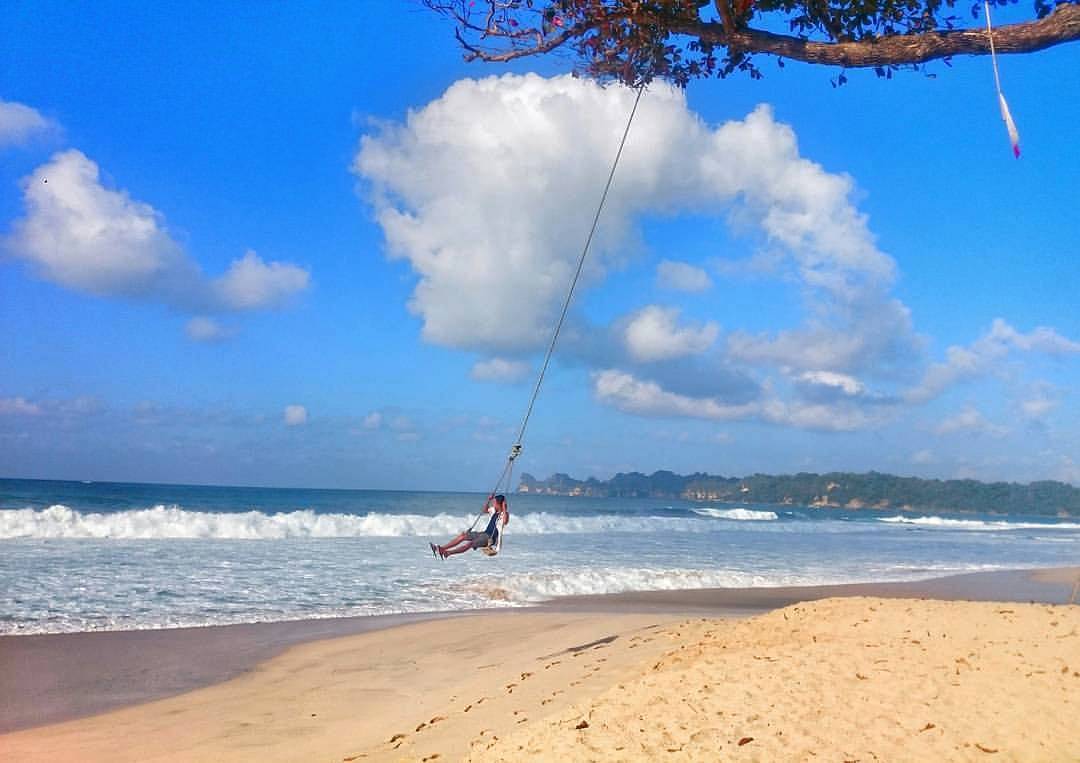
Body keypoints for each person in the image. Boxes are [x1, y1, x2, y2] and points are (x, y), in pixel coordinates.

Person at [432, 494, 510, 559]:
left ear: (499, 504)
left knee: (470, 544)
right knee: (463, 535)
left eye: (494, 503)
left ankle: (448, 553)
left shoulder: (504, 514)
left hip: (490, 538)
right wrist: (489, 500)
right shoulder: (494, 511)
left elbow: (505, 521)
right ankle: (442, 548)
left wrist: (504, 507)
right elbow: (484, 510)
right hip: (483, 534)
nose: (493, 504)